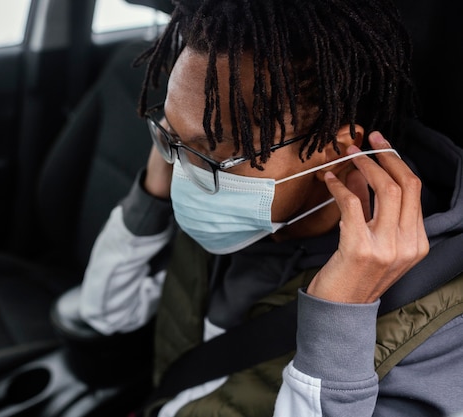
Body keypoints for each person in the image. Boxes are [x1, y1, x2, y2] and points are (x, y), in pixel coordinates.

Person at [78, 0, 463, 415]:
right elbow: (106, 314)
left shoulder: (437, 324)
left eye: (208, 154)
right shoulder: (224, 208)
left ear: (333, 150)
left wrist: (340, 314)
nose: (184, 175)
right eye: (173, 139)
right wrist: (154, 189)